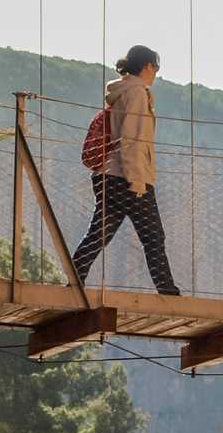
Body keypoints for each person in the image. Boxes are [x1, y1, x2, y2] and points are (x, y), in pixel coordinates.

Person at [71, 45, 181, 295]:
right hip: (127, 178)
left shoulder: (120, 92)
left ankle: (75, 277)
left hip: (106, 175)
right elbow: (132, 140)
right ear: (147, 67)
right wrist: (138, 181)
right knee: (154, 237)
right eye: (156, 68)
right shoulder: (137, 94)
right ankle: (168, 293)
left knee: (100, 233)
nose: (156, 74)